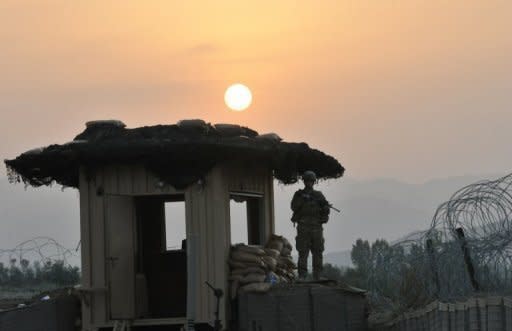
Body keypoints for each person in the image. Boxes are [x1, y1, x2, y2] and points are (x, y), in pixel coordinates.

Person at [291, 170, 330, 280]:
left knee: (318, 251)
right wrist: (302, 199)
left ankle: (317, 275)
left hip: (316, 227)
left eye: (311, 181)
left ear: (314, 182)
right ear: (304, 181)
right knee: (303, 251)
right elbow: (294, 207)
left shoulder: (318, 195)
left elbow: (325, 210)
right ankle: (302, 275)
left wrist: (325, 209)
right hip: (303, 226)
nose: (309, 183)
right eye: (307, 181)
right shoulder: (298, 195)